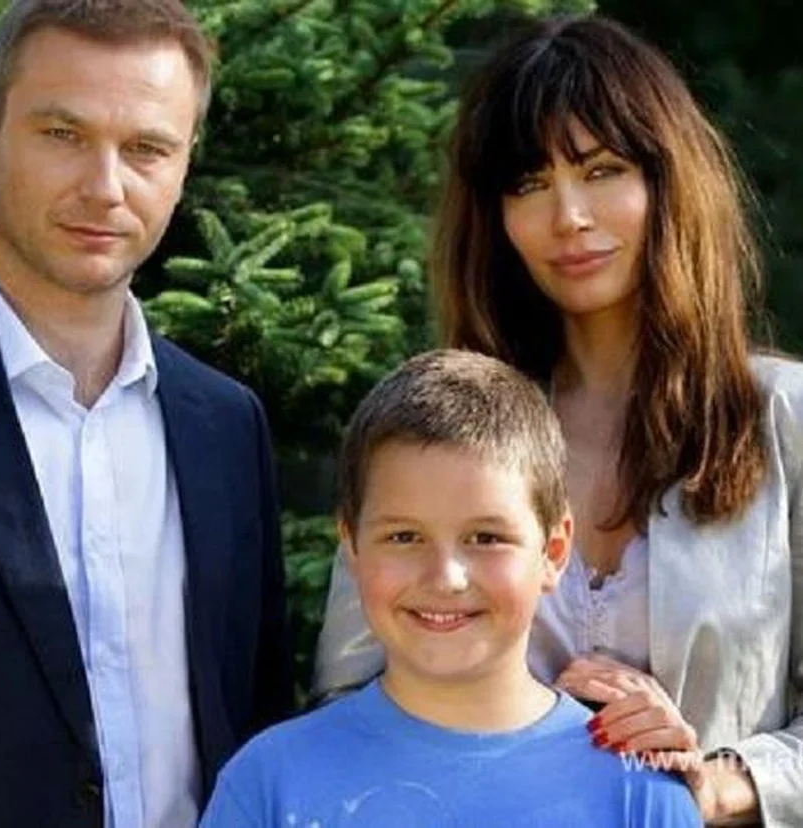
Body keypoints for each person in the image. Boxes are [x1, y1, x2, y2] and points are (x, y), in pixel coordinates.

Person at [0, 1, 293, 826]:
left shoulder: (225, 427)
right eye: (64, 134)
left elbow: (256, 734)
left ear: (184, 164)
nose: (105, 187)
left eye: (146, 148)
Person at [314, 14, 803, 827]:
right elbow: (347, 700)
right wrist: (521, 726)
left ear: (667, 182)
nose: (568, 215)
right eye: (529, 183)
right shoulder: (437, 429)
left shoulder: (784, 418)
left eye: (602, 169)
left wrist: (713, 782)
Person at [199, 350, 702, 827]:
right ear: (351, 546)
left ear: (552, 551)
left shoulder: (638, 793)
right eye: (404, 537)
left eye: (486, 538)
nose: (445, 577)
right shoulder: (269, 784)